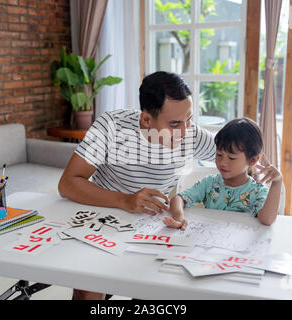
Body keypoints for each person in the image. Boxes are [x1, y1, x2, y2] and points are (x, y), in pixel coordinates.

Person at [58, 71, 217, 299]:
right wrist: (125, 200)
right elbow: (68, 184)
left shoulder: (189, 133)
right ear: (146, 119)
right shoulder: (111, 126)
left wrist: (258, 166)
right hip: (104, 219)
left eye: (189, 119)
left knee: (150, 290)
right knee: (88, 288)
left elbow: (236, 154)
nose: (184, 131)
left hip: (152, 226)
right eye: (174, 124)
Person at [163, 118, 282, 231]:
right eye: (219, 154)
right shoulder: (210, 183)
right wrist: (179, 217)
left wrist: (277, 182)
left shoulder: (257, 191)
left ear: (252, 160)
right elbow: (178, 199)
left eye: (231, 158)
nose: (222, 162)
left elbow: (267, 220)